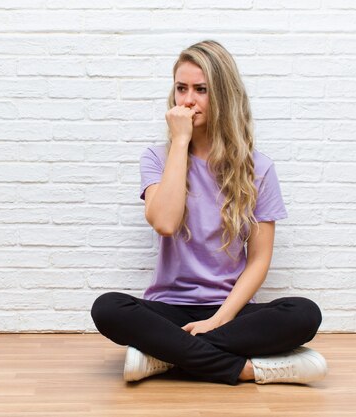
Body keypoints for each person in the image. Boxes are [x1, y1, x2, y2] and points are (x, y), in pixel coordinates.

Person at [90, 40, 328, 385]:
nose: (188, 100)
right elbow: (165, 223)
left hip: (229, 309)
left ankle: (163, 357)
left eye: (201, 90)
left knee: (304, 314)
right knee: (108, 308)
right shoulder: (158, 158)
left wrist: (218, 319)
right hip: (168, 309)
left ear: (223, 95)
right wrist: (180, 143)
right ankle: (248, 369)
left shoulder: (258, 168)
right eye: (181, 89)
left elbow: (260, 260)